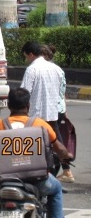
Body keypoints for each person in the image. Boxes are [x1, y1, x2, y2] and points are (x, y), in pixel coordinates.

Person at [0, 87, 72, 218]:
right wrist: (66, 155)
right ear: (28, 106)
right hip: (38, 181)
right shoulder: (40, 124)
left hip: (5, 181)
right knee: (56, 189)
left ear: (9, 105)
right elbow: (60, 149)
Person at [19, 41, 67, 175]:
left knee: (34, 149)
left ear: (31, 54)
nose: (27, 59)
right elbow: (60, 92)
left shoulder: (32, 69)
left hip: (35, 117)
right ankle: (54, 175)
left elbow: (24, 93)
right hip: (52, 116)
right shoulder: (56, 69)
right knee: (53, 146)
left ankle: (37, 175)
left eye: (26, 56)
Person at [40, 44, 74, 182]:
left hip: (51, 109)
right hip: (59, 108)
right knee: (54, 138)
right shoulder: (58, 70)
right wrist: (64, 110)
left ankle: (65, 170)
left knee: (55, 140)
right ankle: (63, 169)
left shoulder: (47, 70)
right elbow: (62, 92)